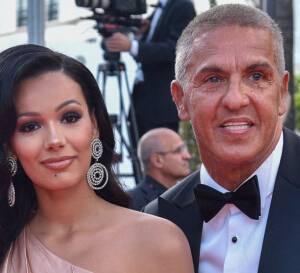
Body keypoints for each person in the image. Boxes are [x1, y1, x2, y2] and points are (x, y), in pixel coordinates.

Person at [0, 44, 194, 272]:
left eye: (70, 117)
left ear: (93, 125)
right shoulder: (6, 245)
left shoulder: (158, 241)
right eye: (30, 126)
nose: (55, 140)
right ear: (9, 145)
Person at [144, 3, 300, 273]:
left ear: (281, 92)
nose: (235, 100)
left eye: (256, 76)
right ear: (180, 101)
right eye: (214, 79)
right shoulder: (159, 220)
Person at [105, 0, 196, 139]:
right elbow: (151, 49)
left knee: (159, 158)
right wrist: (139, 36)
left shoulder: (183, 6)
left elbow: (175, 49)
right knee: (139, 154)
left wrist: (132, 45)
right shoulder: (158, 9)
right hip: (142, 98)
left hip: (161, 105)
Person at [128, 127, 191, 210]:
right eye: (178, 150)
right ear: (157, 160)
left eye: (184, 149)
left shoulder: (189, 197)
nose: (187, 156)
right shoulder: (133, 203)